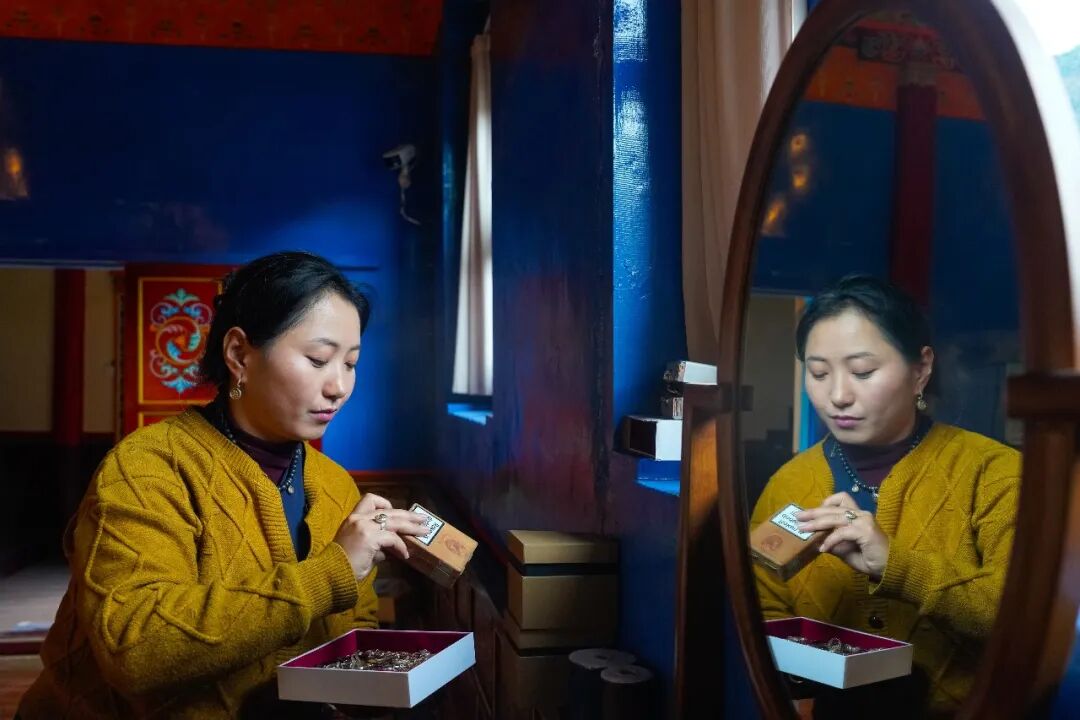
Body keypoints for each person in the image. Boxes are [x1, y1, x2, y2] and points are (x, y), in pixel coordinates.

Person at [17, 251, 431, 719]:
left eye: (351, 363)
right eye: (318, 360)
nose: (339, 386)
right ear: (238, 354)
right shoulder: (148, 467)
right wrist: (331, 572)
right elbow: (134, 648)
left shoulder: (335, 484)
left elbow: (355, 624)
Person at [749, 275, 1020, 719]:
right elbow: (762, 609)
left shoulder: (995, 473)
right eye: (818, 373)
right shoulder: (789, 483)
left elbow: (1021, 621)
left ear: (921, 369)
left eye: (863, 372)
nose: (838, 396)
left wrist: (894, 565)